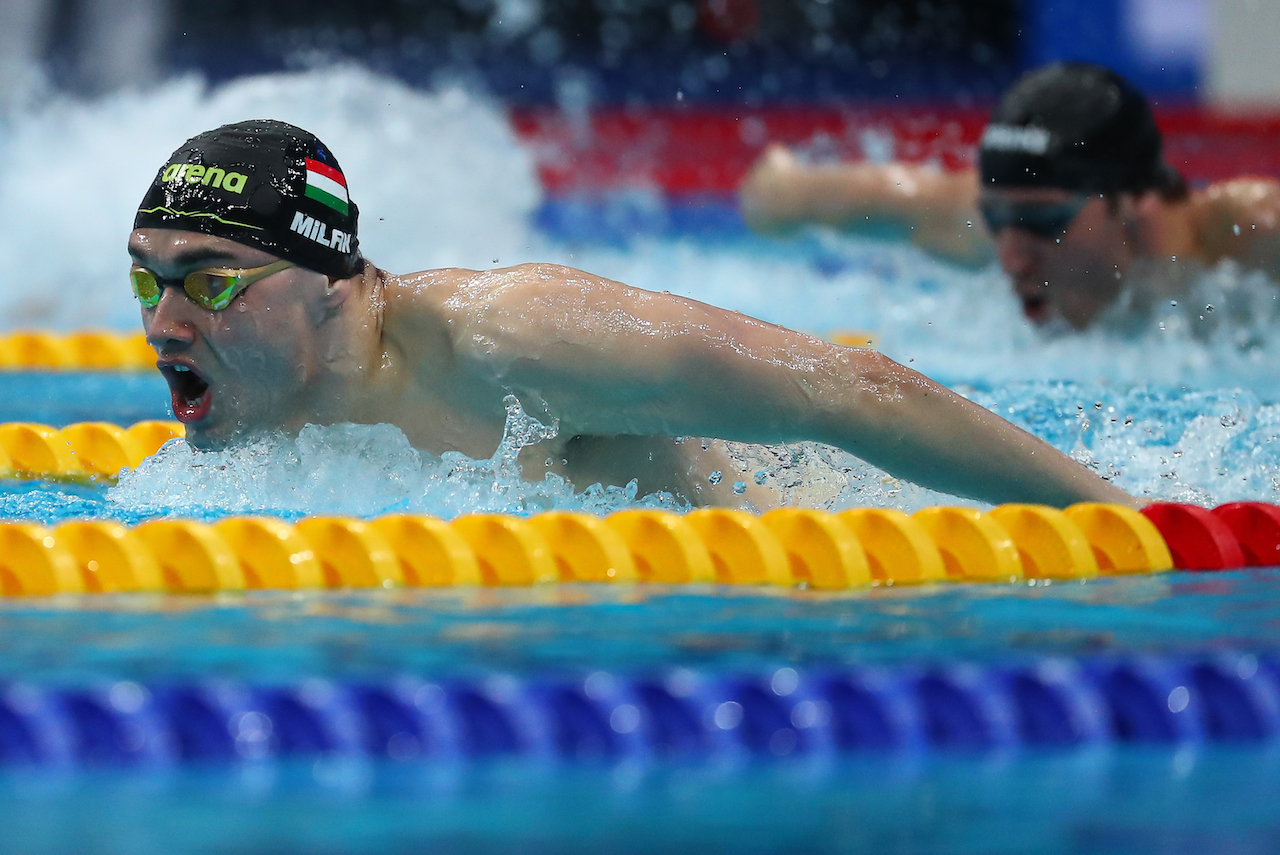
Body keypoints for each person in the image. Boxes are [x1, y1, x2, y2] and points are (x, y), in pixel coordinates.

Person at [129, 119, 1137, 510]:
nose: (164, 323)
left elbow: (850, 392)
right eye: (149, 279)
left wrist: (1146, 533)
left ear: (329, 279)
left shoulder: (505, 339)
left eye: (210, 281)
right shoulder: (263, 403)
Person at [740, 62, 1280, 332]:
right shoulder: (967, 218)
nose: (1011, 256)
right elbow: (776, 193)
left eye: (1046, 220)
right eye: (997, 218)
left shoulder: (1250, 235)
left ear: (1132, 200)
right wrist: (778, 194)